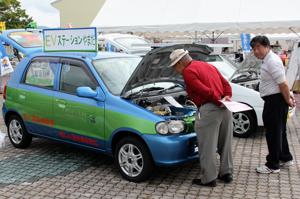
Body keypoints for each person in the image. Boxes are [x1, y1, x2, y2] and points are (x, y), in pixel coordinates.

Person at [169, 49, 233, 187]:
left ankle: (209, 178)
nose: (175, 70)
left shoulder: (188, 71)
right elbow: (226, 84)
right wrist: (226, 98)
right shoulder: (208, 65)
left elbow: (203, 90)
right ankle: (226, 173)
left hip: (210, 109)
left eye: (175, 66)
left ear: (180, 62)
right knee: (225, 142)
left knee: (207, 146)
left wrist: (217, 100)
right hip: (226, 108)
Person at [250, 36, 296, 174]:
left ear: (267, 46)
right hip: (275, 100)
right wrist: (288, 96)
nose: (256, 51)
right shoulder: (268, 60)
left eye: (258, 47)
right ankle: (285, 157)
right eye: (253, 48)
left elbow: (283, 83)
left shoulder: (272, 61)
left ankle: (272, 165)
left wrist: (288, 99)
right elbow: (282, 81)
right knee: (279, 131)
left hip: (275, 101)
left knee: (273, 133)